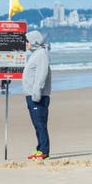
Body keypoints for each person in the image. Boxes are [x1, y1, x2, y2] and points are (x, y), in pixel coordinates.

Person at [23, 30, 52, 162]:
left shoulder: (41, 54)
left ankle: (44, 151)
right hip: (32, 95)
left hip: (37, 96)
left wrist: (36, 92)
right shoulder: (36, 54)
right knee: (37, 124)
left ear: (34, 41)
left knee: (40, 124)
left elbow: (42, 74)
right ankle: (40, 149)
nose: (26, 44)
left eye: (27, 41)